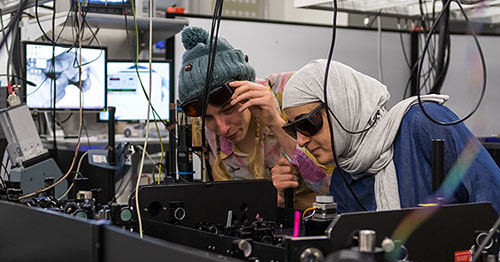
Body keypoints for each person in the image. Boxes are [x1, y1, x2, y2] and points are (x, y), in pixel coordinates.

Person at [274, 59, 500, 214]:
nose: (301, 141)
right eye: (294, 130)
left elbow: (492, 196)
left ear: (341, 106)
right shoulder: (345, 178)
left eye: (307, 124)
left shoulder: (422, 122)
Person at [177, 27, 332, 209]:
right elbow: (224, 201)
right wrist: (268, 201)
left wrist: (275, 123)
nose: (223, 128)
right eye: (209, 117)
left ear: (247, 88)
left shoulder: (293, 95)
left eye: (228, 110)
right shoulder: (202, 131)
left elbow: (334, 187)